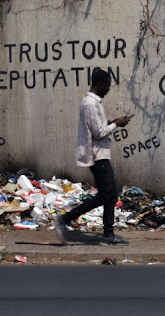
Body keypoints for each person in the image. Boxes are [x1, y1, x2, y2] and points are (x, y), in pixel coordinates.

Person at [54, 67, 132, 245]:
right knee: (106, 196)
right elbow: (98, 133)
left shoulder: (93, 103)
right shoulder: (90, 103)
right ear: (100, 83)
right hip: (97, 156)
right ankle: (64, 220)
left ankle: (107, 234)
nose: (109, 89)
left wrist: (112, 122)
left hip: (100, 154)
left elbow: (97, 127)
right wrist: (116, 124)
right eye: (107, 85)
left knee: (110, 195)